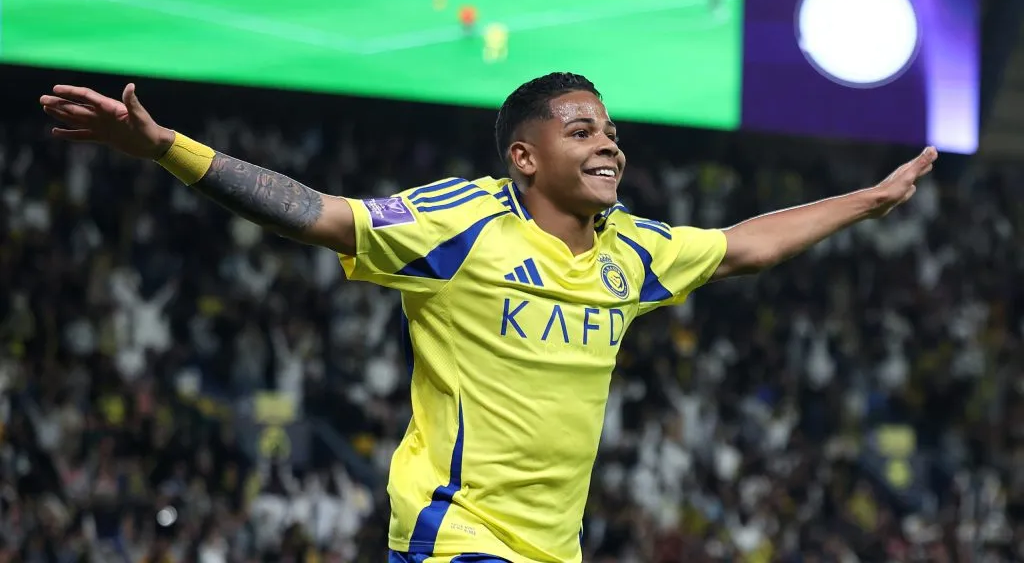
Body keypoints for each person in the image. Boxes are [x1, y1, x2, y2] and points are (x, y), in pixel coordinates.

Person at [39, 72, 936, 563]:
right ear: (524, 155)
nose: (608, 142)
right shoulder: (461, 222)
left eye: (611, 129)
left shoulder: (634, 249)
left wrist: (869, 199)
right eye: (581, 130)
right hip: (453, 537)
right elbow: (316, 211)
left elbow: (746, 244)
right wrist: (168, 150)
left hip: (555, 550)